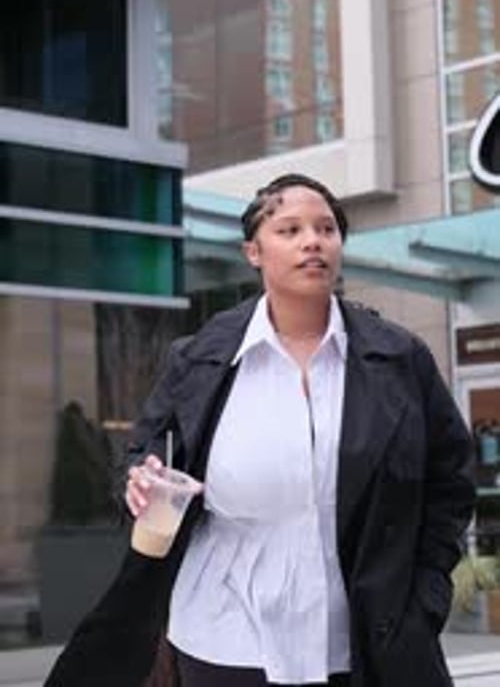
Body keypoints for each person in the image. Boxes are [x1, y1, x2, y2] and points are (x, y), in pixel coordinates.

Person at [44, 173, 475, 687]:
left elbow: (450, 480)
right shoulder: (200, 356)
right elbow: (144, 452)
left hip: (357, 637)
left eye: (326, 228)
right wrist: (140, 480)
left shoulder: (399, 358)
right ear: (254, 251)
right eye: (290, 230)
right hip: (220, 631)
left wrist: (424, 599)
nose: (313, 241)